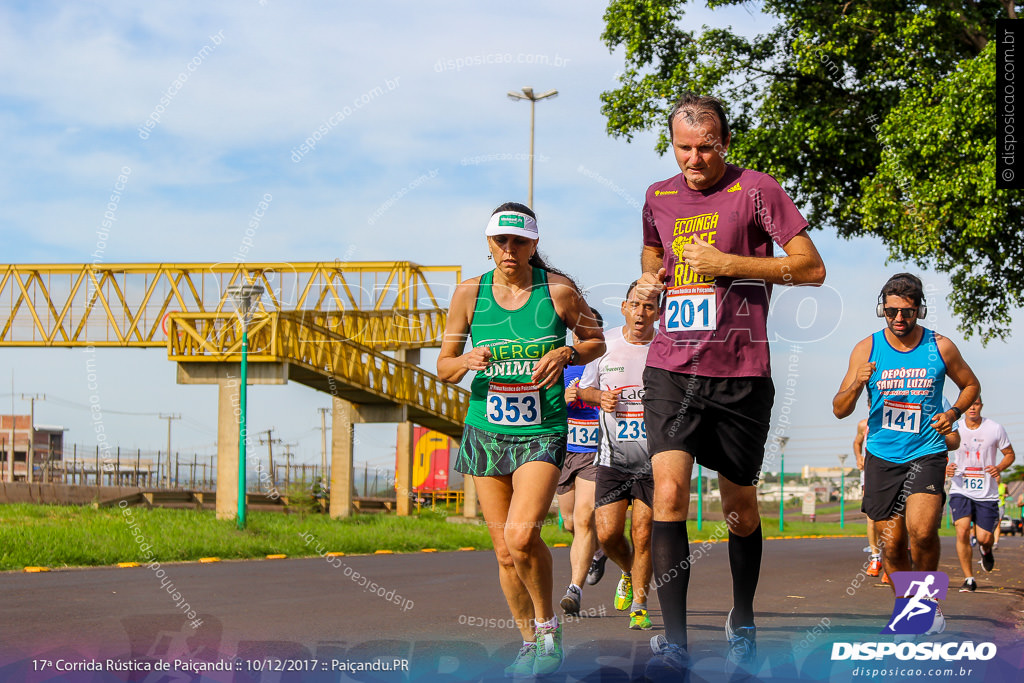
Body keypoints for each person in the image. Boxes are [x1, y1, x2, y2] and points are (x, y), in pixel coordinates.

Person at [635, 93, 827, 678]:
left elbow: (811, 268)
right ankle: (675, 642)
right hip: (671, 366)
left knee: (738, 509)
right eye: (683, 147)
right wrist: (649, 279)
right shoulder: (657, 196)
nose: (694, 159)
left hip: (741, 372)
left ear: (725, 143)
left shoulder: (757, 190)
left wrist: (729, 264)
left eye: (706, 147)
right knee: (667, 496)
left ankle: (742, 616)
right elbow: (652, 249)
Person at [437, 202, 605, 677]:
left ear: (534, 244)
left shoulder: (558, 292)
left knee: (521, 532)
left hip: (542, 428)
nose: (509, 250)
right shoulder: (469, 294)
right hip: (485, 429)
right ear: (488, 244)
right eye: (500, 241)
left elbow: (598, 341)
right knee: (505, 553)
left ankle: (549, 628)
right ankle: (529, 641)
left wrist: (568, 351)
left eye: (519, 241)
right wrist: (466, 361)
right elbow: (443, 366)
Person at [833, 272, 979, 635]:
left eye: (908, 312)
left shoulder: (940, 346)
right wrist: (857, 382)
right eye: (892, 310)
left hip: (926, 451)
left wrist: (953, 414)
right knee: (893, 544)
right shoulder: (866, 348)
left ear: (920, 311)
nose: (899, 318)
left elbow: (971, 384)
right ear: (882, 308)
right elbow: (839, 408)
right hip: (883, 455)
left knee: (923, 530)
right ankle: (907, 608)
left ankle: (927, 606)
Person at [577, 281, 659, 631]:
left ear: (659, 311)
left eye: (650, 307)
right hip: (612, 457)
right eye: (635, 305)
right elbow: (578, 389)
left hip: (656, 459)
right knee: (608, 534)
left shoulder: (666, 347)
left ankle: (639, 604)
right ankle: (627, 571)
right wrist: (599, 398)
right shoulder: (605, 343)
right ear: (624, 307)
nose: (641, 313)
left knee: (643, 533)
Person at [557, 310, 605, 617]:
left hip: (594, 452)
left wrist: (593, 396)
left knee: (584, 518)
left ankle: (574, 590)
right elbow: (547, 405)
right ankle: (598, 551)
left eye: (590, 332)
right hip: (565, 451)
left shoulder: (605, 363)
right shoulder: (561, 365)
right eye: (578, 333)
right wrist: (564, 397)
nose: (583, 338)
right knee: (571, 523)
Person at [946, 396, 1015, 591]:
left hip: (987, 491)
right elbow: (940, 449)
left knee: (984, 537)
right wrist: (947, 468)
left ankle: (986, 551)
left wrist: (999, 467)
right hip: (961, 488)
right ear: (964, 408)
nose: (972, 408)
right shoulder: (955, 427)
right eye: (969, 405)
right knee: (962, 531)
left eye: (976, 404)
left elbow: (1009, 454)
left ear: (981, 406)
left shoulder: (994, 428)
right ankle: (969, 578)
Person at [853, 419, 883, 577]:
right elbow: (857, 442)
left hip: (894, 473)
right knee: (872, 517)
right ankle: (875, 558)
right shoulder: (864, 425)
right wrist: (859, 457)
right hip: (870, 476)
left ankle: (893, 558)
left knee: (897, 518)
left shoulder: (897, 420)